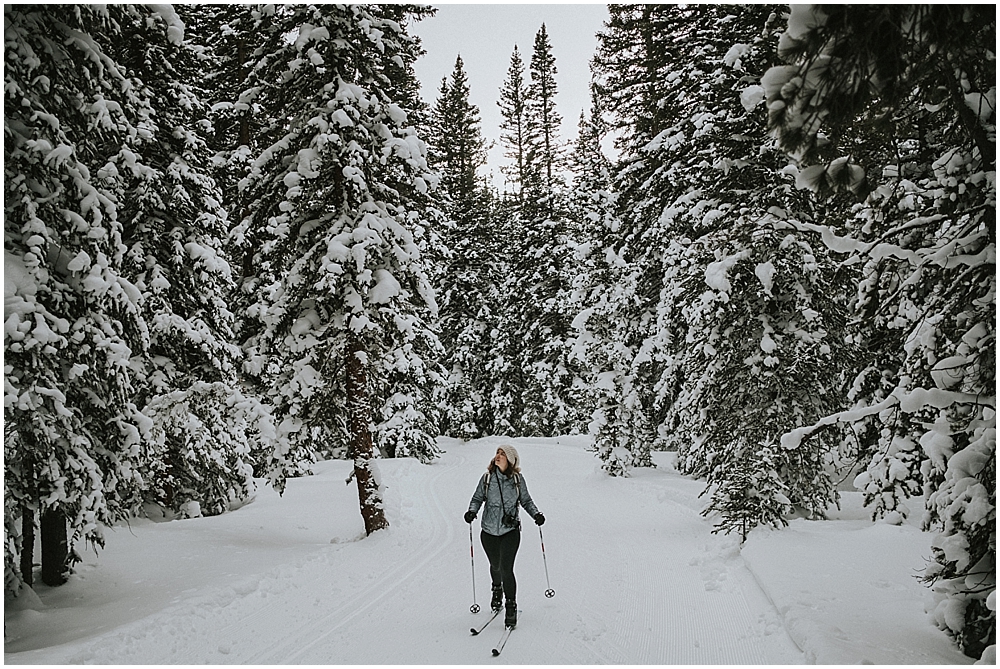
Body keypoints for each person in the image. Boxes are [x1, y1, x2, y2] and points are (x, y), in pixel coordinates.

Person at [464, 445, 545, 628]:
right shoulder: (486, 478)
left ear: (511, 460)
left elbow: (526, 501)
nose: (498, 456)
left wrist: (536, 515)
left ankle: (511, 606)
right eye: (497, 453)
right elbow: (477, 498)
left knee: (507, 568)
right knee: (495, 565)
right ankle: (496, 589)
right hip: (488, 531)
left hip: (510, 532)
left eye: (503, 454)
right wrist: (472, 512)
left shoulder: (517, 480)